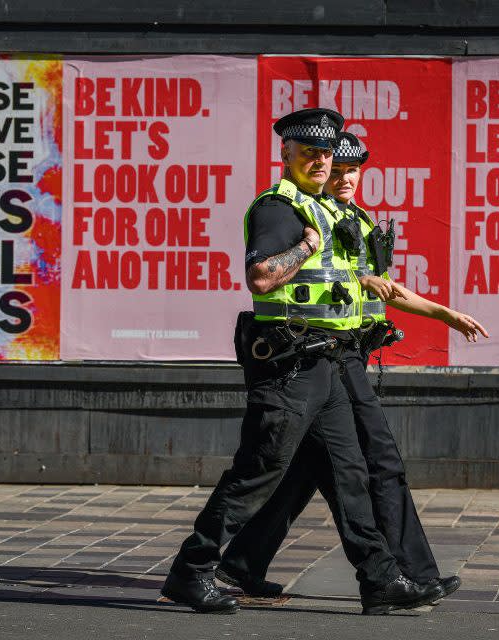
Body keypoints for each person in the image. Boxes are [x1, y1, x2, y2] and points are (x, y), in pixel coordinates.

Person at [160, 110, 443, 615]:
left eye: (326, 152)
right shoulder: (279, 208)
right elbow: (262, 278)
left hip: (327, 360)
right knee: (260, 470)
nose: (319, 161)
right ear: (286, 154)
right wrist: (306, 245)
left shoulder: (326, 207)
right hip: (289, 362)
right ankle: (192, 571)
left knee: (349, 471)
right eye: (308, 152)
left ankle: (379, 580)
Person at [216, 131, 488, 601]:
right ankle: (403, 573)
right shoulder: (296, 210)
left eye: (349, 170)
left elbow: (380, 286)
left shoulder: (352, 218)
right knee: (374, 465)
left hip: (342, 356)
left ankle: (239, 568)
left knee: (304, 473)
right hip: (321, 358)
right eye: (333, 169)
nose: (341, 177)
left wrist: (443, 313)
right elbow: (278, 275)